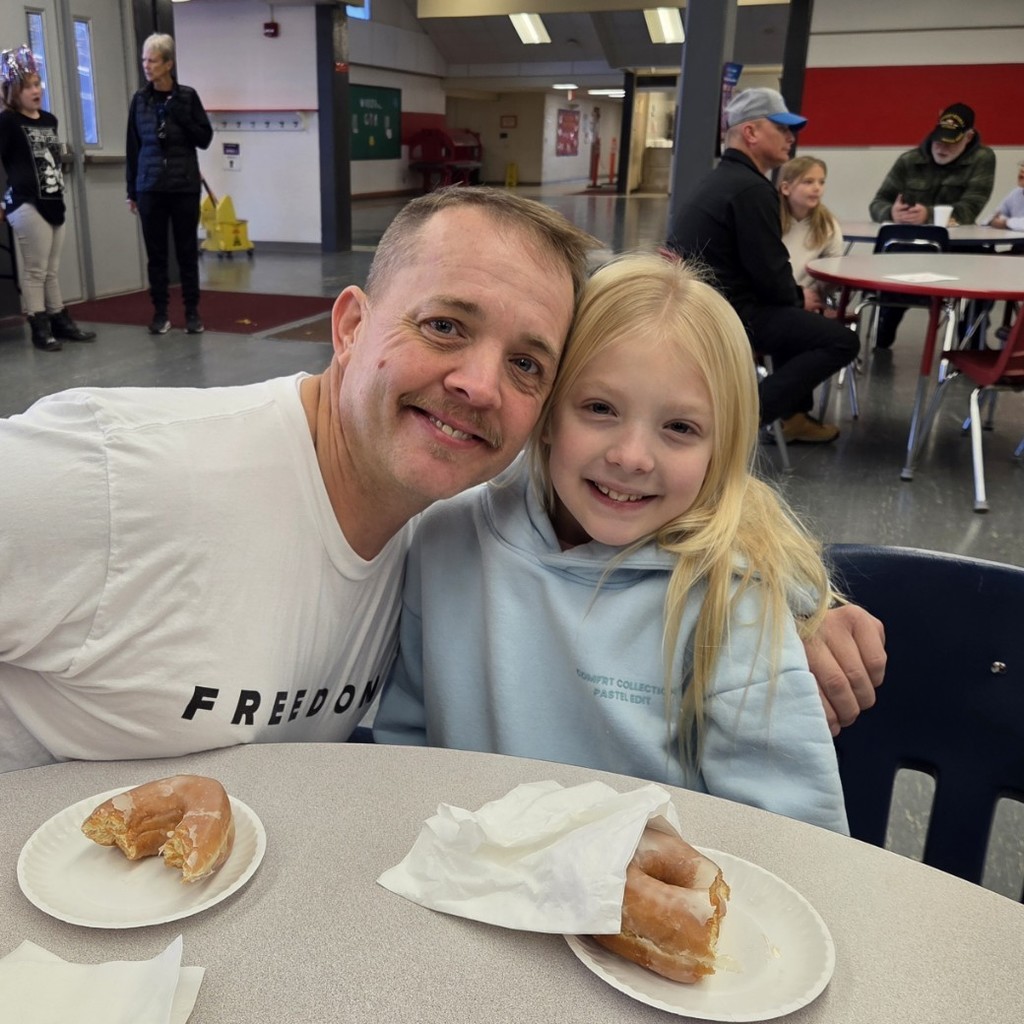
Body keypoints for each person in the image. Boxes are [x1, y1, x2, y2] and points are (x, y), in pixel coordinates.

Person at [0, 188, 882, 776]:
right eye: (446, 325)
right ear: (350, 325)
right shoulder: (116, 476)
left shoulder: (454, 506)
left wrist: (801, 603)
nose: (480, 387)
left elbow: (698, 496)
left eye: (529, 364)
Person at [373, 252, 849, 832]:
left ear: (720, 448)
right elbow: (403, 749)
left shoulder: (732, 597)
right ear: (546, 414)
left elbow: (792, 839)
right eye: (599, 408)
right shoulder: (445, 538)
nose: (631, 457)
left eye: (680, 427)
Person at [666, 88, 858, 445]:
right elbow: (771, 276)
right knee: (841, 341)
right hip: (730, 316)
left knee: (797, 322)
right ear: (751, 133)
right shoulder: (751, 190)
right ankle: (737, 423)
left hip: (701, 306)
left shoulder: (718, 181)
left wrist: (794, 301)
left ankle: (794, 417)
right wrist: (802, 298)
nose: (791, 137)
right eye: (782, 128)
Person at [868, 103, 996, 348]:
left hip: (958, 253)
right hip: (908, 250)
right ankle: (887, 320)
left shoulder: (983, 159)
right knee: (891, 264)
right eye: (939, 140)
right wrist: (891, 212)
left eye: (951, 142)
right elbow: (877, 203)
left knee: (987, 263)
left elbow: (970, 208)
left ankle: (969, 337)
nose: (942, 147)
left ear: (968, 137)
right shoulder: (909, 160)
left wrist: (927, 215)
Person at [0, 44, 95, 352]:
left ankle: (60, 320)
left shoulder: (49, 120)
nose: (35, 90)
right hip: (26, 202)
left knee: (52, 269)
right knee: (36, 269)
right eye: (28, 87)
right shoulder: (8, 122)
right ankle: (39, 326)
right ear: (14, 91)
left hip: (53, 198)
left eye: (37, 84)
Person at [126, 33, 212, 336]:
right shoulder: (140, 100)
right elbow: (133, 147)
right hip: (150, 186)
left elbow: (205, 138)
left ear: (168, 64)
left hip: (184, 185)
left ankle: (192, 312)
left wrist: (181, 118)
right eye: (144, 60)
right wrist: (131, 190)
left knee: (187, 251)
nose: (147, 66)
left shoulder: (187, 97)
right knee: (157, 254)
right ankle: (160, 313)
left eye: (152, 60)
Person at [778, 154, 844, 304]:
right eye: (808, 182)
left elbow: (834, 265)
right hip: (775, 297)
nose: (817, 188)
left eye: (821, 182)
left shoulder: (827, 224)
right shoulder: (771, 219)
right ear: (786, 188)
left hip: (808, 299)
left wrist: (816, 291)